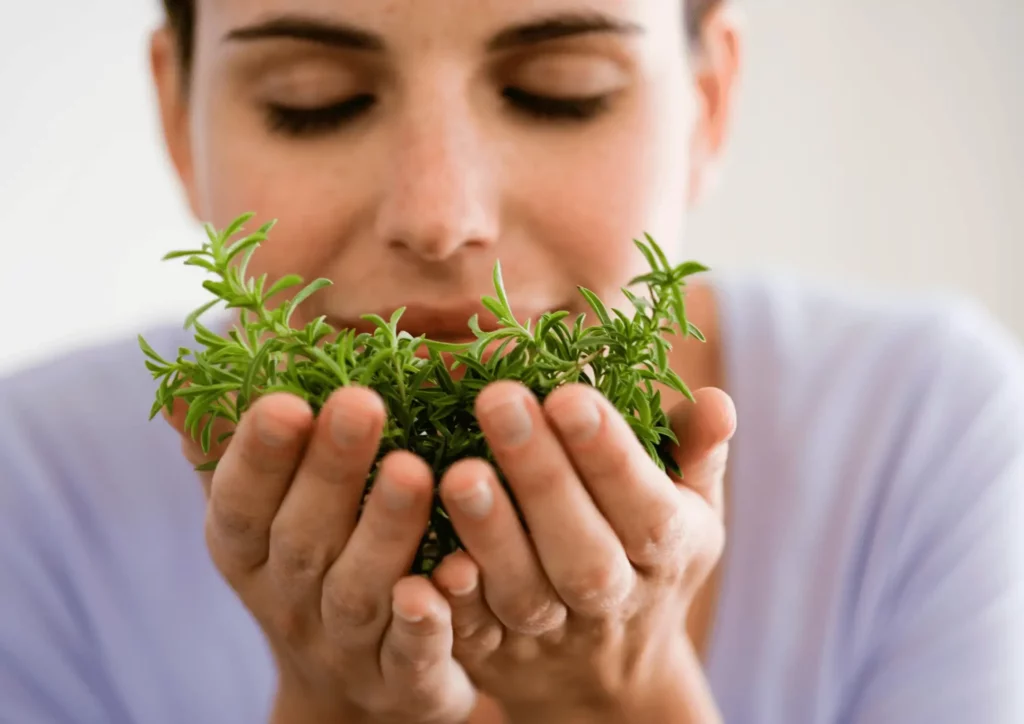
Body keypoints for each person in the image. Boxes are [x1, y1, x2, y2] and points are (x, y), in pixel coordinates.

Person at [2, 0, 1022, 722]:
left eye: (558, 91)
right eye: (311, 99)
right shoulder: (33, 490)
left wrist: (618, 699)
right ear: (178, 115)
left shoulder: (923, 432)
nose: (441, 219)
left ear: (708, 101)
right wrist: (335, 710)